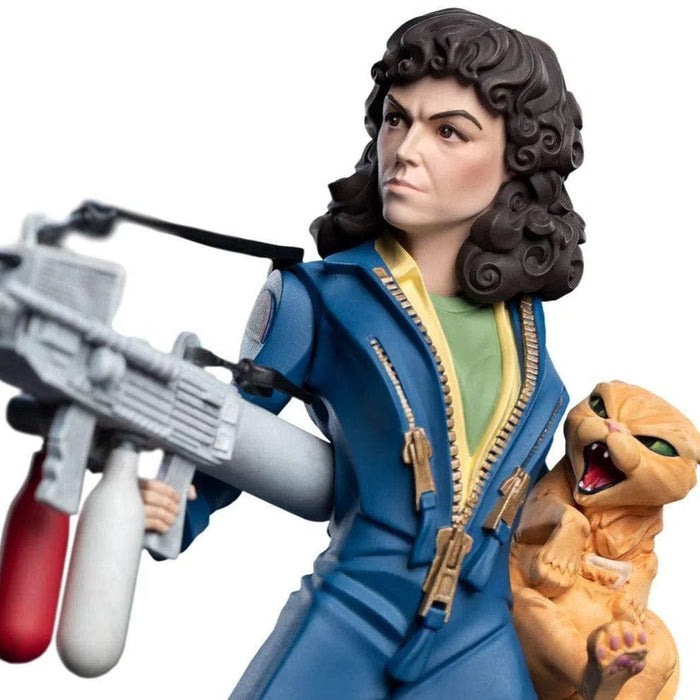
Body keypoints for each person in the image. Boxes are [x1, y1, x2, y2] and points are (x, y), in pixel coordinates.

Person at [141, 8, 584, 698]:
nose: (405, 150)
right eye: (397, 119)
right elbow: (232, 427)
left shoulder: (524, 329)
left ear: (516, 162)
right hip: (356, 614)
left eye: (449, 131)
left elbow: (525, 495)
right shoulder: (317, 300)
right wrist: (176, 505)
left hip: (478, 635)